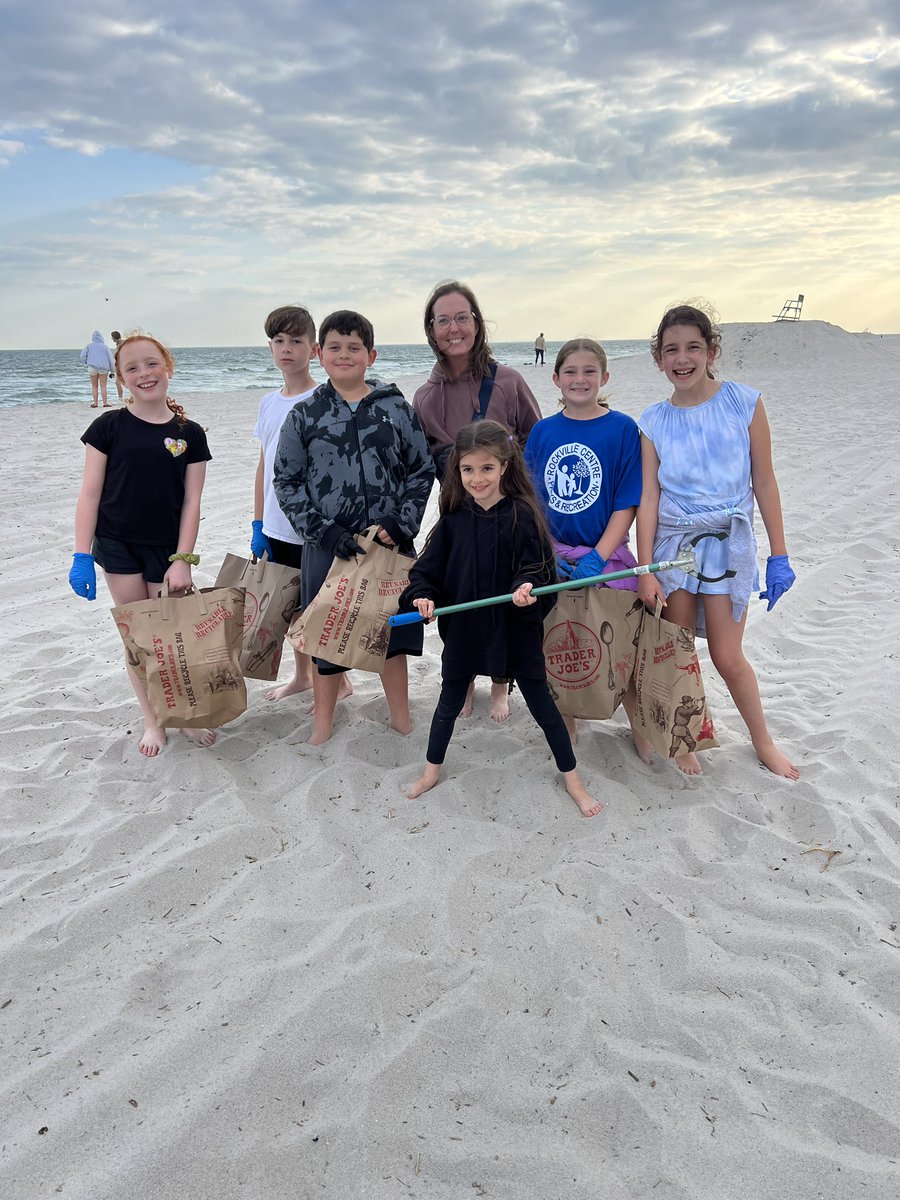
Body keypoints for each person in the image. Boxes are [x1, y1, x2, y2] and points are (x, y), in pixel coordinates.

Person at [399, 421, 601, 818]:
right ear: (457, 471)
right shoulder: (454, 521)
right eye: (468, 469)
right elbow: (426, 572)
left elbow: (541, 568)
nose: (477, 478)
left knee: (543, 705)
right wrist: (422, 596)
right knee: (448, 703)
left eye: (487, 468)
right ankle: (430, 771)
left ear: (505, 466)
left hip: (515, 630)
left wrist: (527, 585)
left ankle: (573, 780)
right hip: (466, 632)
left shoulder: (524, 515)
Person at [636, 303, 798, 779]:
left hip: (730, 545)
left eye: (692, 347)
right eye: (671, 350)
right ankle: (684, 737)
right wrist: (646, 569)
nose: (682, 358)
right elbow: (649, 496)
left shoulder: (743, 402)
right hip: (676, 548)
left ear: (711, 351)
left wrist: (780, 554)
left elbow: (764, 482)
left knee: (728, 656)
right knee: (680, 651)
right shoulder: (652, 419)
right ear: (658, 359)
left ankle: (763, 741)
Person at [273, 309, 434, 745]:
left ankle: (400, 716)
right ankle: (322, 722)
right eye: (336, 348)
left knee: (394, 633)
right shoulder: (304, 415)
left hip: (390, 544)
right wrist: (323, 532)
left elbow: (421, 470)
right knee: (327, 636)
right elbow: (286, 482)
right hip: (328, 544)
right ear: (320, 354)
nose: (345, 355)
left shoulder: (396, 408)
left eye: (355, 348)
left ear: (372, 355)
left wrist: (401, 523)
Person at [68, 334, 215, 758]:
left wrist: (183, 559)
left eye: (151, 364)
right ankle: (153, 719)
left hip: (167, 550)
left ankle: (182, 715)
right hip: (117, 547)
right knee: (138, 639)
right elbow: (90, 493)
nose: (144, 374)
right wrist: (81, 553)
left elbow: (192, 502)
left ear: (167, 365)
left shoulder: (191, 433)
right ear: (120, 378)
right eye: (132, 368)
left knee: (171, 636)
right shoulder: (107, 427)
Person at [414, 279, 542, 720]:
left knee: (506, 600)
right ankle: (463, 677)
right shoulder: (425, 397)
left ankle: (501, 684)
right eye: (443, 320)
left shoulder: (508, 381)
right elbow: (424, 466)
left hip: (507, 516)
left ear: (477, 323)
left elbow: (537, 441)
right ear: (431, 330)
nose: (454, 328)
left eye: (462, 318)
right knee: (458, 600)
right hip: (459, 517)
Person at [524, 337, 651, 758]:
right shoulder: (543, 431)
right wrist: (548, 549)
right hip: (553, 559)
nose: (580, 380)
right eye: (571, 372)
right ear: (556, 378)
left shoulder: (622, 429)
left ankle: (639, 726)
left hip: (606, 558)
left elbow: (627, 501)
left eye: (589, 371)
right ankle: (568, 724)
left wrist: (598, 555)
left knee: (624, 646)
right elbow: (529, 499)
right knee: (560, 644)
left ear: (605, 377)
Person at [250, 304, 352, 709]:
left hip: (313, 526)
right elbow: (264, 464)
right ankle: (302, 676)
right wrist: (258, 522)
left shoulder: (325, 398)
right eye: (278, 341)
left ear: (314, 349)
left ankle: (338, 680)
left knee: (320, 609)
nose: (286, 348)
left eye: (295, 341)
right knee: (290, 609)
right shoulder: (268, 403)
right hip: (276, 525)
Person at [80, 330, 116, 408]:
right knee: (103, 386)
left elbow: (82, 356)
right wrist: (112, 371)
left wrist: (87, 363)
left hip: (92, 367)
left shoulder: (89, 346)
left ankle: (95, 404)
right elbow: (111, 359)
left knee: (94, 386)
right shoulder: (105, 347)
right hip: (103, 368)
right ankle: (105, 403)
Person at [110, 332, 124, 401]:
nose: (111, 338)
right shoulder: (121, 343)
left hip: (121, 366)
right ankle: (120, 397)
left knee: (118, 382)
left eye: (112, 337)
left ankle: (120, 398)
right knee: (119, 382)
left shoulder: (120, 344)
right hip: (120, 365)